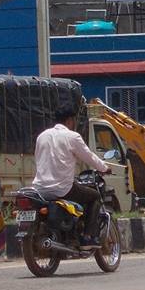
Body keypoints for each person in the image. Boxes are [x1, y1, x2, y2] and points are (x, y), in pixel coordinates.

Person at [32, 100, 114, 246]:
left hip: (39, 189)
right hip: (62, 188)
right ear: (70, 120)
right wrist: (104, 168)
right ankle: (88, 236)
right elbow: (90, 157)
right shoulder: (72, 137)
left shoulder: (42, 136)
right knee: (94, 197)